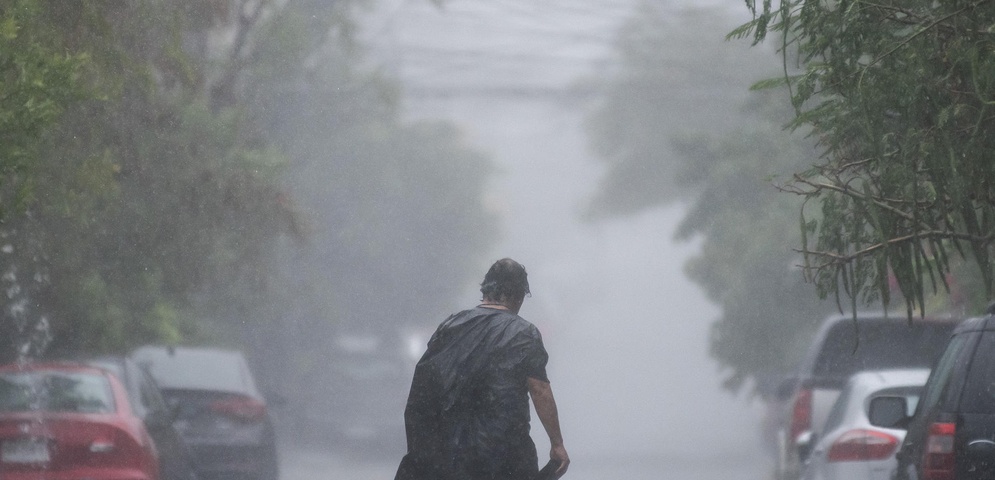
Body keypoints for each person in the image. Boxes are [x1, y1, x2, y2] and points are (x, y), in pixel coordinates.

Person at [395, 258, 569, 480]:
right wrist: (557, 444)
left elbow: (423, 390)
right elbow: (540, 390)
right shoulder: (524, 334)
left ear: (486, 291)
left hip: (450, 456)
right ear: (518, 296)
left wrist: (423, 452)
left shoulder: (451, 326)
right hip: (506, 456)